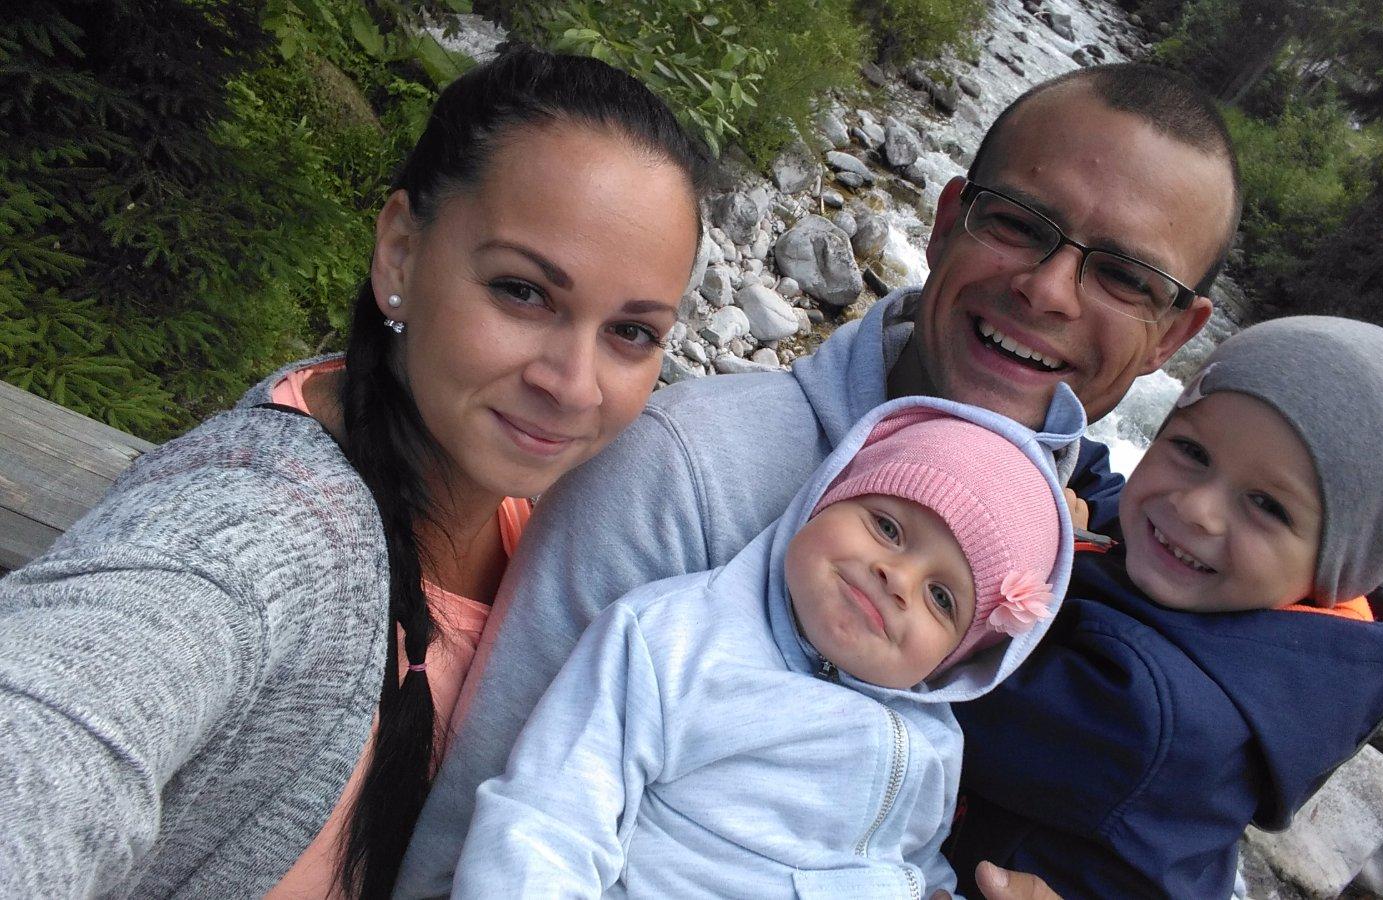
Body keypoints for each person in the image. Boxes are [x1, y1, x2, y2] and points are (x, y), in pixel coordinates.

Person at [396, 62, 1241, 898]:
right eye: (1019, 224)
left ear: (1174, 338)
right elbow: (465, 858)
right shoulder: (688, 477)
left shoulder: (1134, 571)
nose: (1049, 290)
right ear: (947, 221)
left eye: (1125, 277)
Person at [0, 47, 711, 900]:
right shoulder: (251, 542)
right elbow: (53, 734)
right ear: (400, 254)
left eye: (632, 332)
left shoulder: (550, 523)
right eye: (524, 292)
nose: (574, 385)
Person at [945, 316, 1383, 898]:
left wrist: (1025, 528)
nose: (1197, 508)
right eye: (1191, 450)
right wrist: (1031, 418)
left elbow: (935, 662)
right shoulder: (1237, 590)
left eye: (1266, 504)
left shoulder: (1155, 714)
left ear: (1341, 567)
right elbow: (1108, 500)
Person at [451, 391, 1082, 897]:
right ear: (825, 497)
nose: (898, 579)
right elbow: (549, 817)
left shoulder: (935, 741)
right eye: (887, 527)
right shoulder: (674, 639)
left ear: (957, 659)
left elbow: (911, 863)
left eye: (942, 598)